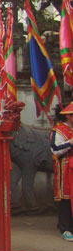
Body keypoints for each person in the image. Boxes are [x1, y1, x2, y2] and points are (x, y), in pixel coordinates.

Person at [51, 102, 73, 241]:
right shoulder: (58, 131)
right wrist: (70, 143)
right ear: (69, 117)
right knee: (65, 198)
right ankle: (65, 228)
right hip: (64, 169)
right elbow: (55, 150)